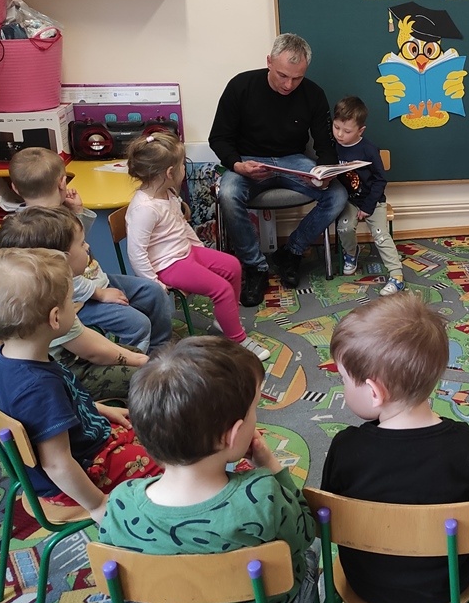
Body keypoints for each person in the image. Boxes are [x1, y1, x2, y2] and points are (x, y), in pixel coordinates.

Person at [99, 337, 319, 603]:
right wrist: (270, 465)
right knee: (311, 553)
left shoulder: (120, 504)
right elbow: (306, 531)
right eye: (254, 411)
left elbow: (115, 563)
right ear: (233, 435)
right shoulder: (263, 496)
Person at [321, 293, 469, 603]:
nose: (343, 386)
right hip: (448, 586)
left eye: (344, 379)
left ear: (374, 393)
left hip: (366, 584)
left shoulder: (346, 447)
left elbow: (328, 516)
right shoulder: (468, 442)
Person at [0, 248, 161, 519]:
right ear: (55, 317)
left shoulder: (8, 358)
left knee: (160, 432)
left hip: (87, 441)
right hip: (83, 473)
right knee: (173, 464)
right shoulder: (38, 387)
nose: (76, 306)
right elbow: (57, 465)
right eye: (72, 301)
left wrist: (98, 408)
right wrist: (97, 504)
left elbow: (55, 411)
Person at [210, 33, 348, 306]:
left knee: (337, 195)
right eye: (283, 75)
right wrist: (237, 165)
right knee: (227, 193)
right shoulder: (241, 86)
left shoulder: (313, 94)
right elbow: (219, 138)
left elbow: (325, 144)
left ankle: (291, 252)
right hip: (248, 160)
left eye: (297, 78)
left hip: (292, 160)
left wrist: (324, 171)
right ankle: (255, 267)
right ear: (269, 62)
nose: (289, 85)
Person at [7, 147, 173, 355]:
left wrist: (77, 212)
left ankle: (159, 350)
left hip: (96, 281)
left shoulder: (55, 215)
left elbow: (76, 242)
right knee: (137, 324)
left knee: (152, 291)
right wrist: (100, 294)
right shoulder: (32, 230)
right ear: (62, 183)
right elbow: (63, 280)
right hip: (74, 302)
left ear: (15, 188)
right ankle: (134, 364)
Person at [126, 132, 270, 361]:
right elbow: (136, 252)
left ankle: (224, 320)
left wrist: (199, 248)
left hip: (186, 252)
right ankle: (237, 339)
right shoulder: (144, 209)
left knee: (232, 266)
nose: (184, 169)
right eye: (182, 165)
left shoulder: (167, 193)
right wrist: (154, 284)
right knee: (221, 289)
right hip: (168, 265)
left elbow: (181, 226)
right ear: (170, 173)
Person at [0, 207, 149, 401]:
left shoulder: (36, 292)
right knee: (145, 377)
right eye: (82, 243)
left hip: (62, 363)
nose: (87, 247)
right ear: (62, 258)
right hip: (67, 376)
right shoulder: (52, 303)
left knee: (136, 356)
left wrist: (135, 357)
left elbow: (84, 337)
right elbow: (92, 351)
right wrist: (138, 361)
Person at [332, 96, 405, 296]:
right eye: (336, 127)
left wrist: (368, 206)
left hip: (373, 200)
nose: (340, 134)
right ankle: (351, 253)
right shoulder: (333, 146)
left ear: (360, 131)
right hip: (349, 200)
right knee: (344, 226)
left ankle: (397, 276)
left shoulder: (369, 150)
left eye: (347, 131)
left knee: (381, 234)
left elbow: (380, 180)